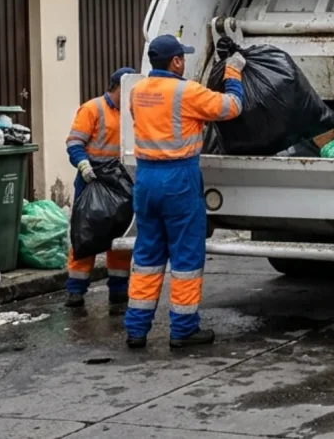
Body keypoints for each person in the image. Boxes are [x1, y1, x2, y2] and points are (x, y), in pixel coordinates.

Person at [125, 35, 245, 349]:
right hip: (178, 180)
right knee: (185, 256)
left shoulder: (137, 92)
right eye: (183, 57)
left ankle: (136, 330)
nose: (185, 62)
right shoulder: (187, 92)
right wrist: (233, 73)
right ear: (176, 61)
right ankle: (183, 330)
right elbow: (231, 108)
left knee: (147, 255)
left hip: (145, 179)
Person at [64, 67, 137, 313]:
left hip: (119, 181)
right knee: (86, 233)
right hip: (92, 178)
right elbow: (75, 142)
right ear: (117, 87)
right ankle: (75, 290)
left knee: (119, 235)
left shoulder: (132, 112)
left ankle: (118, 289)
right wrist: (82, 163)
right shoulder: (92, 109)